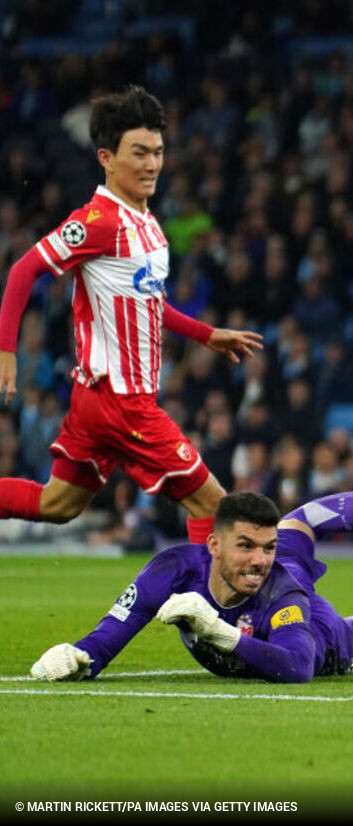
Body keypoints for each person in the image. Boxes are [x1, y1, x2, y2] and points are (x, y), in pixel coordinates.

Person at [0, 85, 261, 544]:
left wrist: (205, 335)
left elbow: (148, 305)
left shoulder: (147, 224)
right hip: (121, 401)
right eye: (138, 153)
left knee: (57, 504)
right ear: (106, 158)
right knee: (213, 507)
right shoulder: (98, 223)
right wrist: (6, 353)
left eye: (158, 152)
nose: (151, 164)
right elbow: (23, 271)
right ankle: (203, 612)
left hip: (98, 398)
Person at [29, 453, 353, 683]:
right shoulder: (173, 569)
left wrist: (218, 632)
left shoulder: (282, 591)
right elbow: (114, 631)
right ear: (213, 545)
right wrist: (80, 657)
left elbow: (298, 668)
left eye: (266, 547)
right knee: (297, 521)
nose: (260, 558)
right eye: (246, 546)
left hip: (316, 638)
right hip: (258, 599)